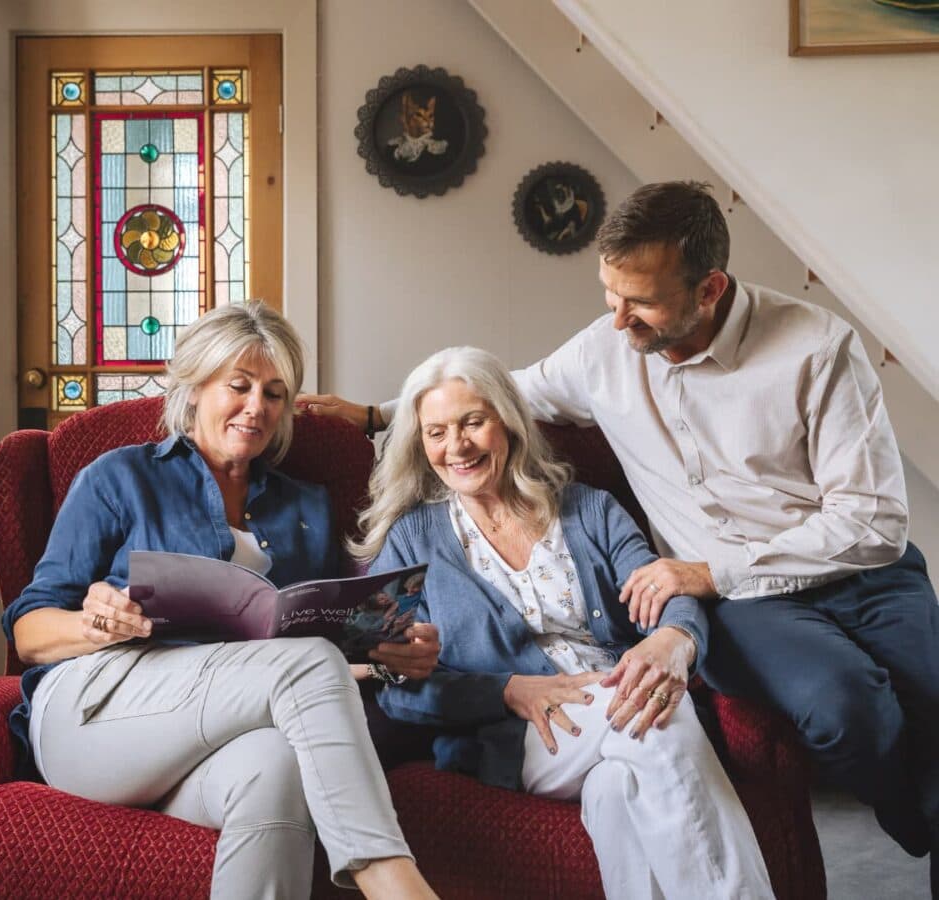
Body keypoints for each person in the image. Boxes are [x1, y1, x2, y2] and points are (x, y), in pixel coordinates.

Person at [299, 180, 939, 894]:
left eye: (638, 301)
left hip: (859, 568)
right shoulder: (598, 358)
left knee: (925, 714)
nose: (616, 319)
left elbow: (872, 523)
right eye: (609, 293)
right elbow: (500, 392)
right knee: (806, 711)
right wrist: (379, 415)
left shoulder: (815, 348)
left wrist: (681, 620)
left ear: (709, 290)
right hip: (717, 622)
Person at [2, 301, 441, 900]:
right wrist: (97, 625)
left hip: (221, 738)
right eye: (239, 386)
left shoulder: (305, 506)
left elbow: (316, 649)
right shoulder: (119, 477)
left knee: (279, 768)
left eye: (275, 393)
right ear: (194, 386)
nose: (257, 407)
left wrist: (386, 654)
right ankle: (392, 881)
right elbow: (28, 632)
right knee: (306, 661)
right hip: (96, 716)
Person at [348, 345, 774, 899]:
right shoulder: (409, 538)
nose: (457, 446)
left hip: (611, 697)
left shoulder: (589, 508)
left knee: (617, 791)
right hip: (517, 736)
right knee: (656, 720)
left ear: (508, 421)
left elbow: (665, 585)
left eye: (473, 422)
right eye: (436, 432)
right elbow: (386, 683)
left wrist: (674, 638)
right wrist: (506, 690)